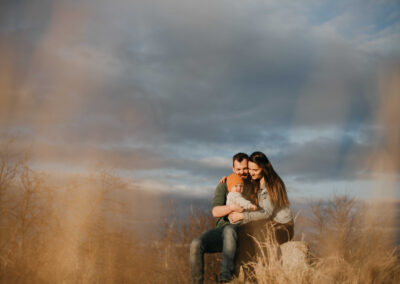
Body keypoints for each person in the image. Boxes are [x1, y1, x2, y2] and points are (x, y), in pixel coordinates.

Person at [229, 151, 294, 281]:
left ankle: (254, 276)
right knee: (242, 231)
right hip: (269, 223)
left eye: (255, 170)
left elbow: (266, 213)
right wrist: (227, 179)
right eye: (250, 169)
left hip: (282, 227)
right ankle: (246, 274)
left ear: (263, 168)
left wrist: (242, 216)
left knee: (254, 234)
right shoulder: (256, 181)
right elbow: (238, 179)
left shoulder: (273, 184)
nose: (251, 173)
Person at [189, 153, 252, 284]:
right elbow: (215, 211)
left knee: (230, 231)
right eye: (238, 169)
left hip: (243, 230)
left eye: (245, 168)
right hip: (221, 231)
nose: (242, 172)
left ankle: (225, 280)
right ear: (233, 169)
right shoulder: (225, 184)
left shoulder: (254, 185)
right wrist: (233, 207)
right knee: (196, 244)